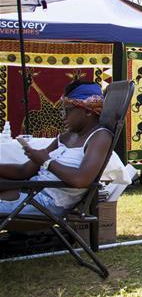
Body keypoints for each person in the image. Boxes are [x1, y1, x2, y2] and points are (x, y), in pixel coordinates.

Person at [0, 80, 112, 217]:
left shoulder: (100, 137)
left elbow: (81, 180)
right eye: (62, 110)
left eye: (68, 111)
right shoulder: (65, 137)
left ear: (88, 111)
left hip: (49, 202)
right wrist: (39, 159)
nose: (63, 116)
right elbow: (24, 171)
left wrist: (46, 161)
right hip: (33, 190)